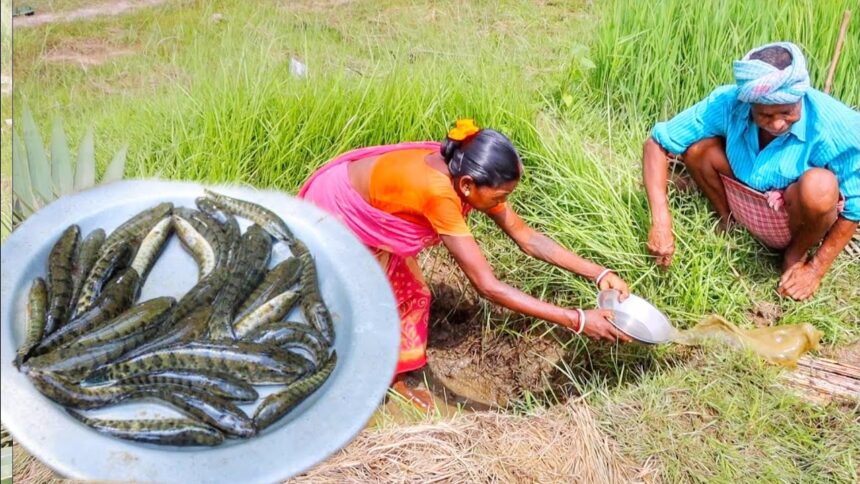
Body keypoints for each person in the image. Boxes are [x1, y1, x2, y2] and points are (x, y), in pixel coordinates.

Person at [299, 119, 632, 406]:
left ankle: (391, 378)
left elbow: (526, 237)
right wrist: (577, 320)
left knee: (413, 294)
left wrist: (599, 273)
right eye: (500, 197)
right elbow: (487, 285)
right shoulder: (441, 193)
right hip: (337, 216)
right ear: (469, 186)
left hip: (368, 213)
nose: (503, 205)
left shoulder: (464, 172)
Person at [642, 41, 860, 301]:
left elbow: (855, 205)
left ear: (801, 96)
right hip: (744, 190)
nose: (778, 123)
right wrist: (661, 222)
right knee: (698, 150)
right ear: (749, 104)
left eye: (788, 112)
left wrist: (815, 269)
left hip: (795, 213)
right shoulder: (729, 102)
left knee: (820, 186)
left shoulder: (839, 125)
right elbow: (657, 142)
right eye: (765, 115)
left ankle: (794, 253)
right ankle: (728, 220)